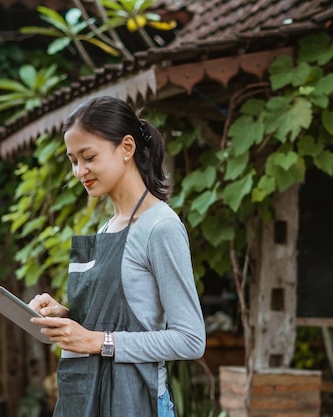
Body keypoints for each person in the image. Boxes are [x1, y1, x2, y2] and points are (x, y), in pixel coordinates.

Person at [28, 96, 206, 417]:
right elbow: (112, 321)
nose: (79, 171)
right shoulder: (108, 226)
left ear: (126, 148)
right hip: (92, 400)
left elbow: (190, 340)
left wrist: (99, 342)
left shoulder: (161, 226)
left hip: (138, 402)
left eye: (89, 157)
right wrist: (66, 318)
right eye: (73, 160)